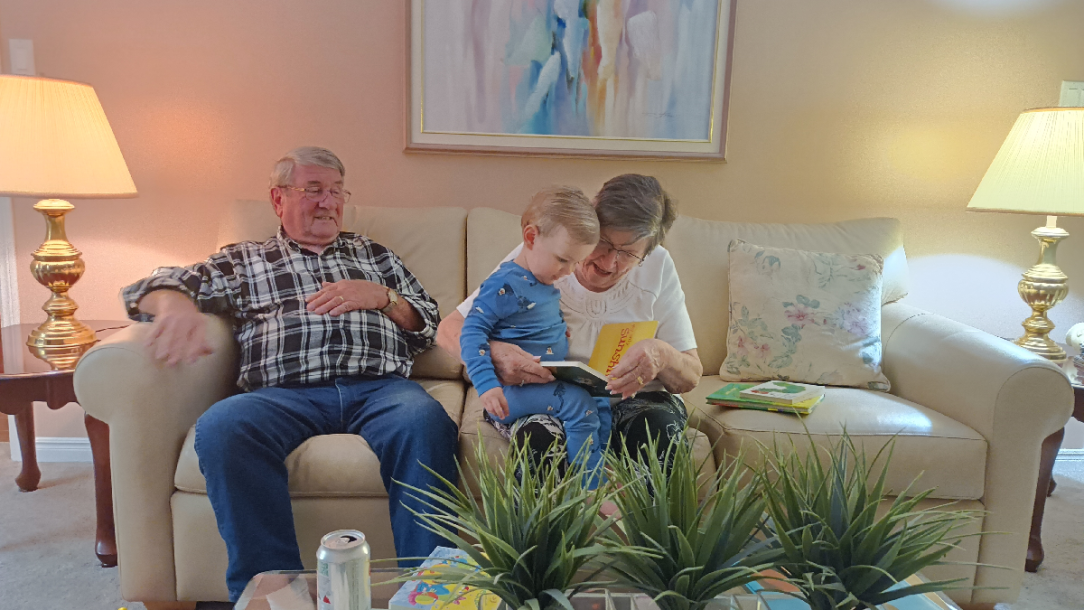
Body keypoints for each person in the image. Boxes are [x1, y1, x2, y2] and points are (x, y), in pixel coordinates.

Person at [121, 146, 458, 602]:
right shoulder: (245, 259)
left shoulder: (375, 255)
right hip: (282, 394)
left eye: (337, 191)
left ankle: (433, 593)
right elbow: (152, 285)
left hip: (380, 388)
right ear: (278, 199)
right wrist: (174, 305)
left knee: (425, 421)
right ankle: (275, 595)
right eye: (313, 189)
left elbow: (431, 324)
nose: (328, 202)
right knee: (223, 427)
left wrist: (383, 298)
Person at [437, 174, 702, 470]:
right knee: (540, 439)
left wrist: (661, 355)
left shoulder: (659, 266)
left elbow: (691, 375)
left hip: (636, 400)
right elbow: (449, 330)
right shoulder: (547, 255)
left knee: (656, 431)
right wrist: (496, 354)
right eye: (603, 242)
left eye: (628, 253)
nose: (609, 263)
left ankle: (630, 503)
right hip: (551, 396)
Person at [460, 186, 610, 486]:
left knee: (602, 399)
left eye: (575, 262)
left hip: (543, 380)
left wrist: (558, 330)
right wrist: (487, 386)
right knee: (579, 403)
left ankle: (600, 466)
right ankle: (589, 488)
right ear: (531, 238)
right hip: (508, 394)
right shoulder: (504, 285)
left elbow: (530, 318)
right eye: (563, 260)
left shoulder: (542, 279)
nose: (569, 271)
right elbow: (471, 332)